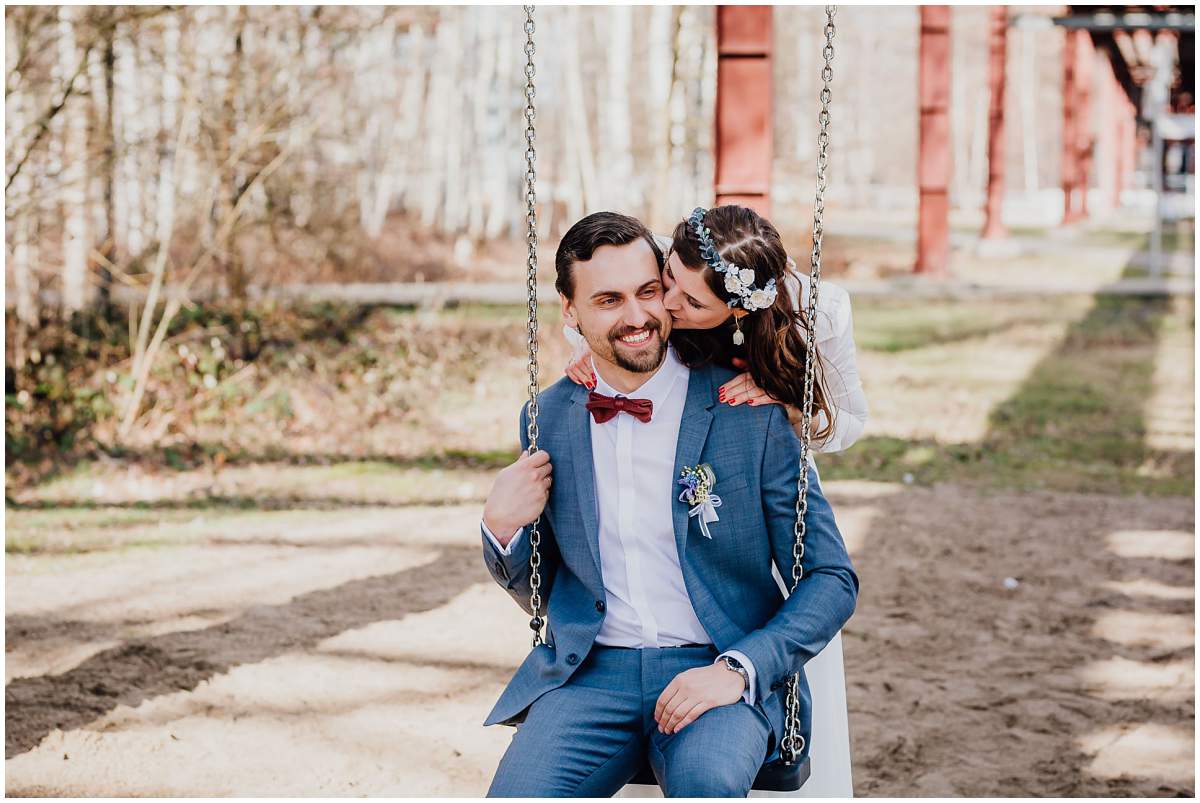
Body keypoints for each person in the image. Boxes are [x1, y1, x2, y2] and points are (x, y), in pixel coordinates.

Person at [480, 211, 858, 797]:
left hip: (713, 668)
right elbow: (546, 584)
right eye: (608, 300)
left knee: (708, 788)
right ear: (570, 311)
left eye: (649, 292)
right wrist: (501, 527)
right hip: (590, 678)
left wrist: (740, 669)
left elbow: (831, 577)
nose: (637, 317)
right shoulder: (547, 417)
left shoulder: (750, 413)